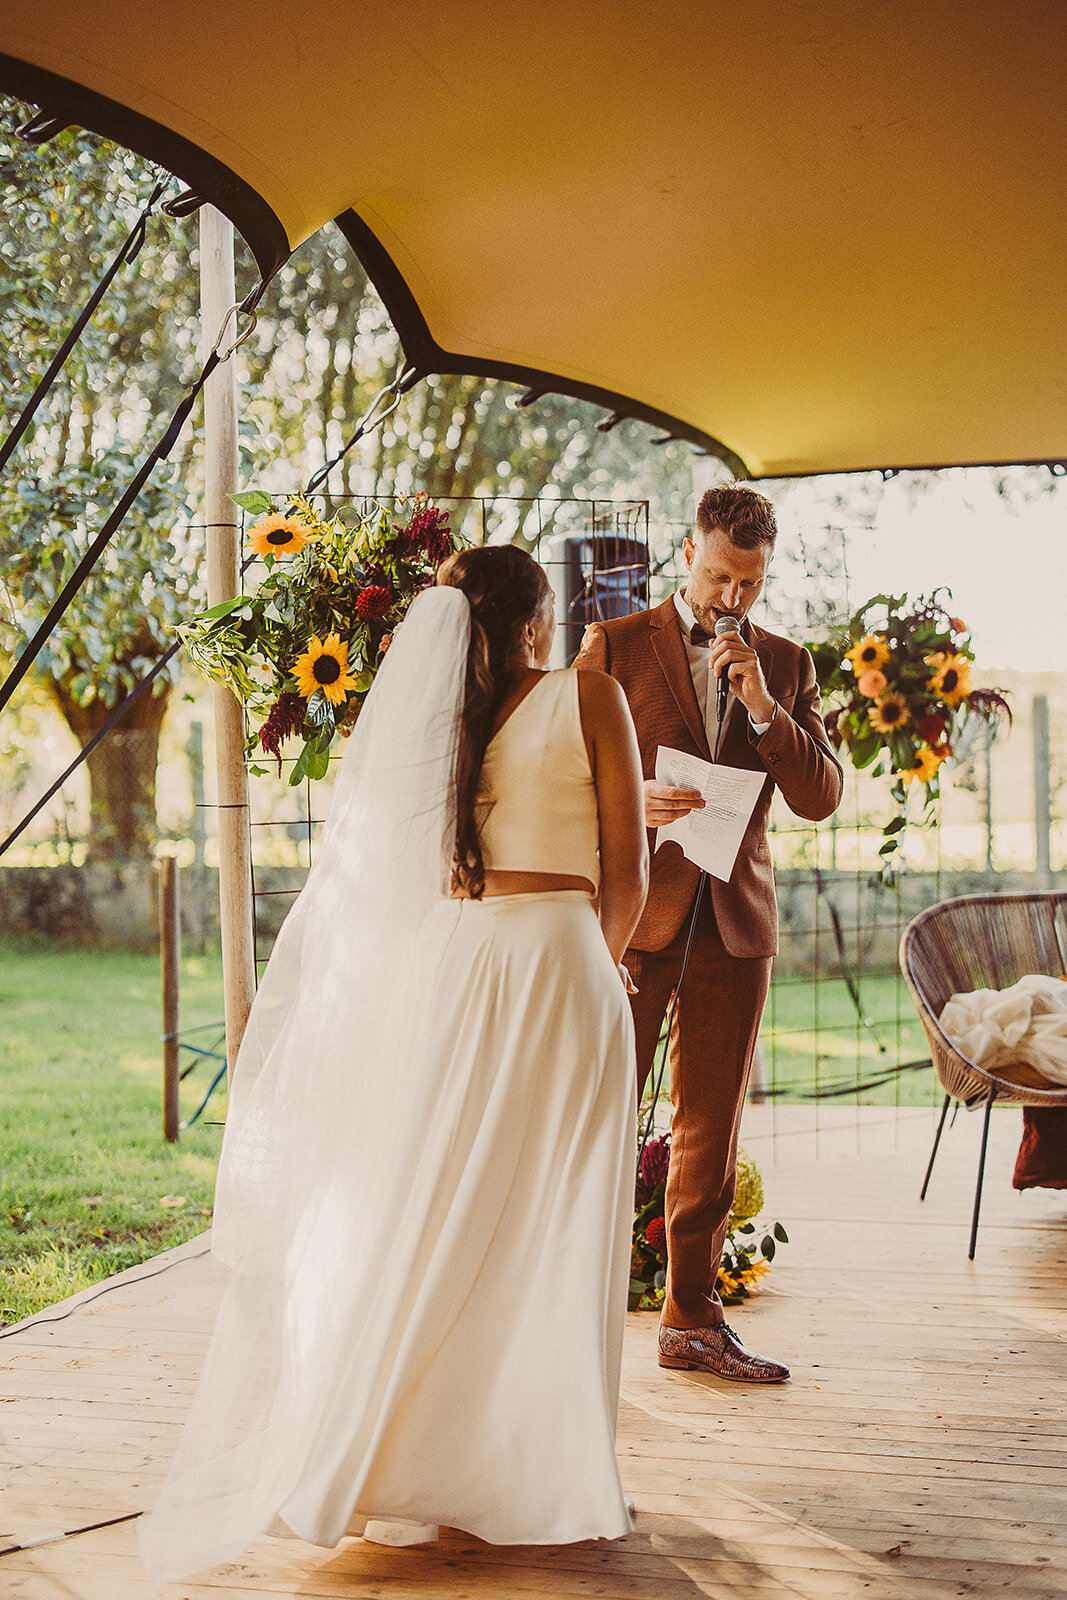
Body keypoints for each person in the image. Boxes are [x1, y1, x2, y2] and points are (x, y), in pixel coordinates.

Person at [139, 545, 648, 1581]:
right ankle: (535, 1474)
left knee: (447, 1211)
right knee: (553, 1221)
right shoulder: (587, 694)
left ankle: (409, 1463)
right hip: (557, 960)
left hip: (459, 964)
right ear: (534, 624)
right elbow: (627, 869)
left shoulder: (438, 730)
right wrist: (603, 965)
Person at [575, 484, 843, 1382]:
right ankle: (564, 1307)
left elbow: (819, 796)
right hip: (635, 916)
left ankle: (692, 1319)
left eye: (751, 583)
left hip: (735, 924)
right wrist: (628, 804)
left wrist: (766, 709)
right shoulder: (611, 645)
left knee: (710, 1129)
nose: (734, 598)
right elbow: (557, 773)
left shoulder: (790, 664)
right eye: (722, 576)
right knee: (597, 1113)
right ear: (687, 553)